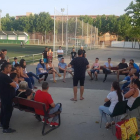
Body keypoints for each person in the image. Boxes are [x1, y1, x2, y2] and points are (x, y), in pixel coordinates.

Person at [0, 62, 17, 133]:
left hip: (3, 95)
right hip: (7, 97)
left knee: (3, 110)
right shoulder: (5, 76)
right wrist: (11, 84)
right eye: (9, 67)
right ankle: (6, 127)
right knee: (8, 111)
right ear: (5, 68)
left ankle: (2, 123)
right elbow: (14, 85)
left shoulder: (1, 75)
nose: (11, 69)